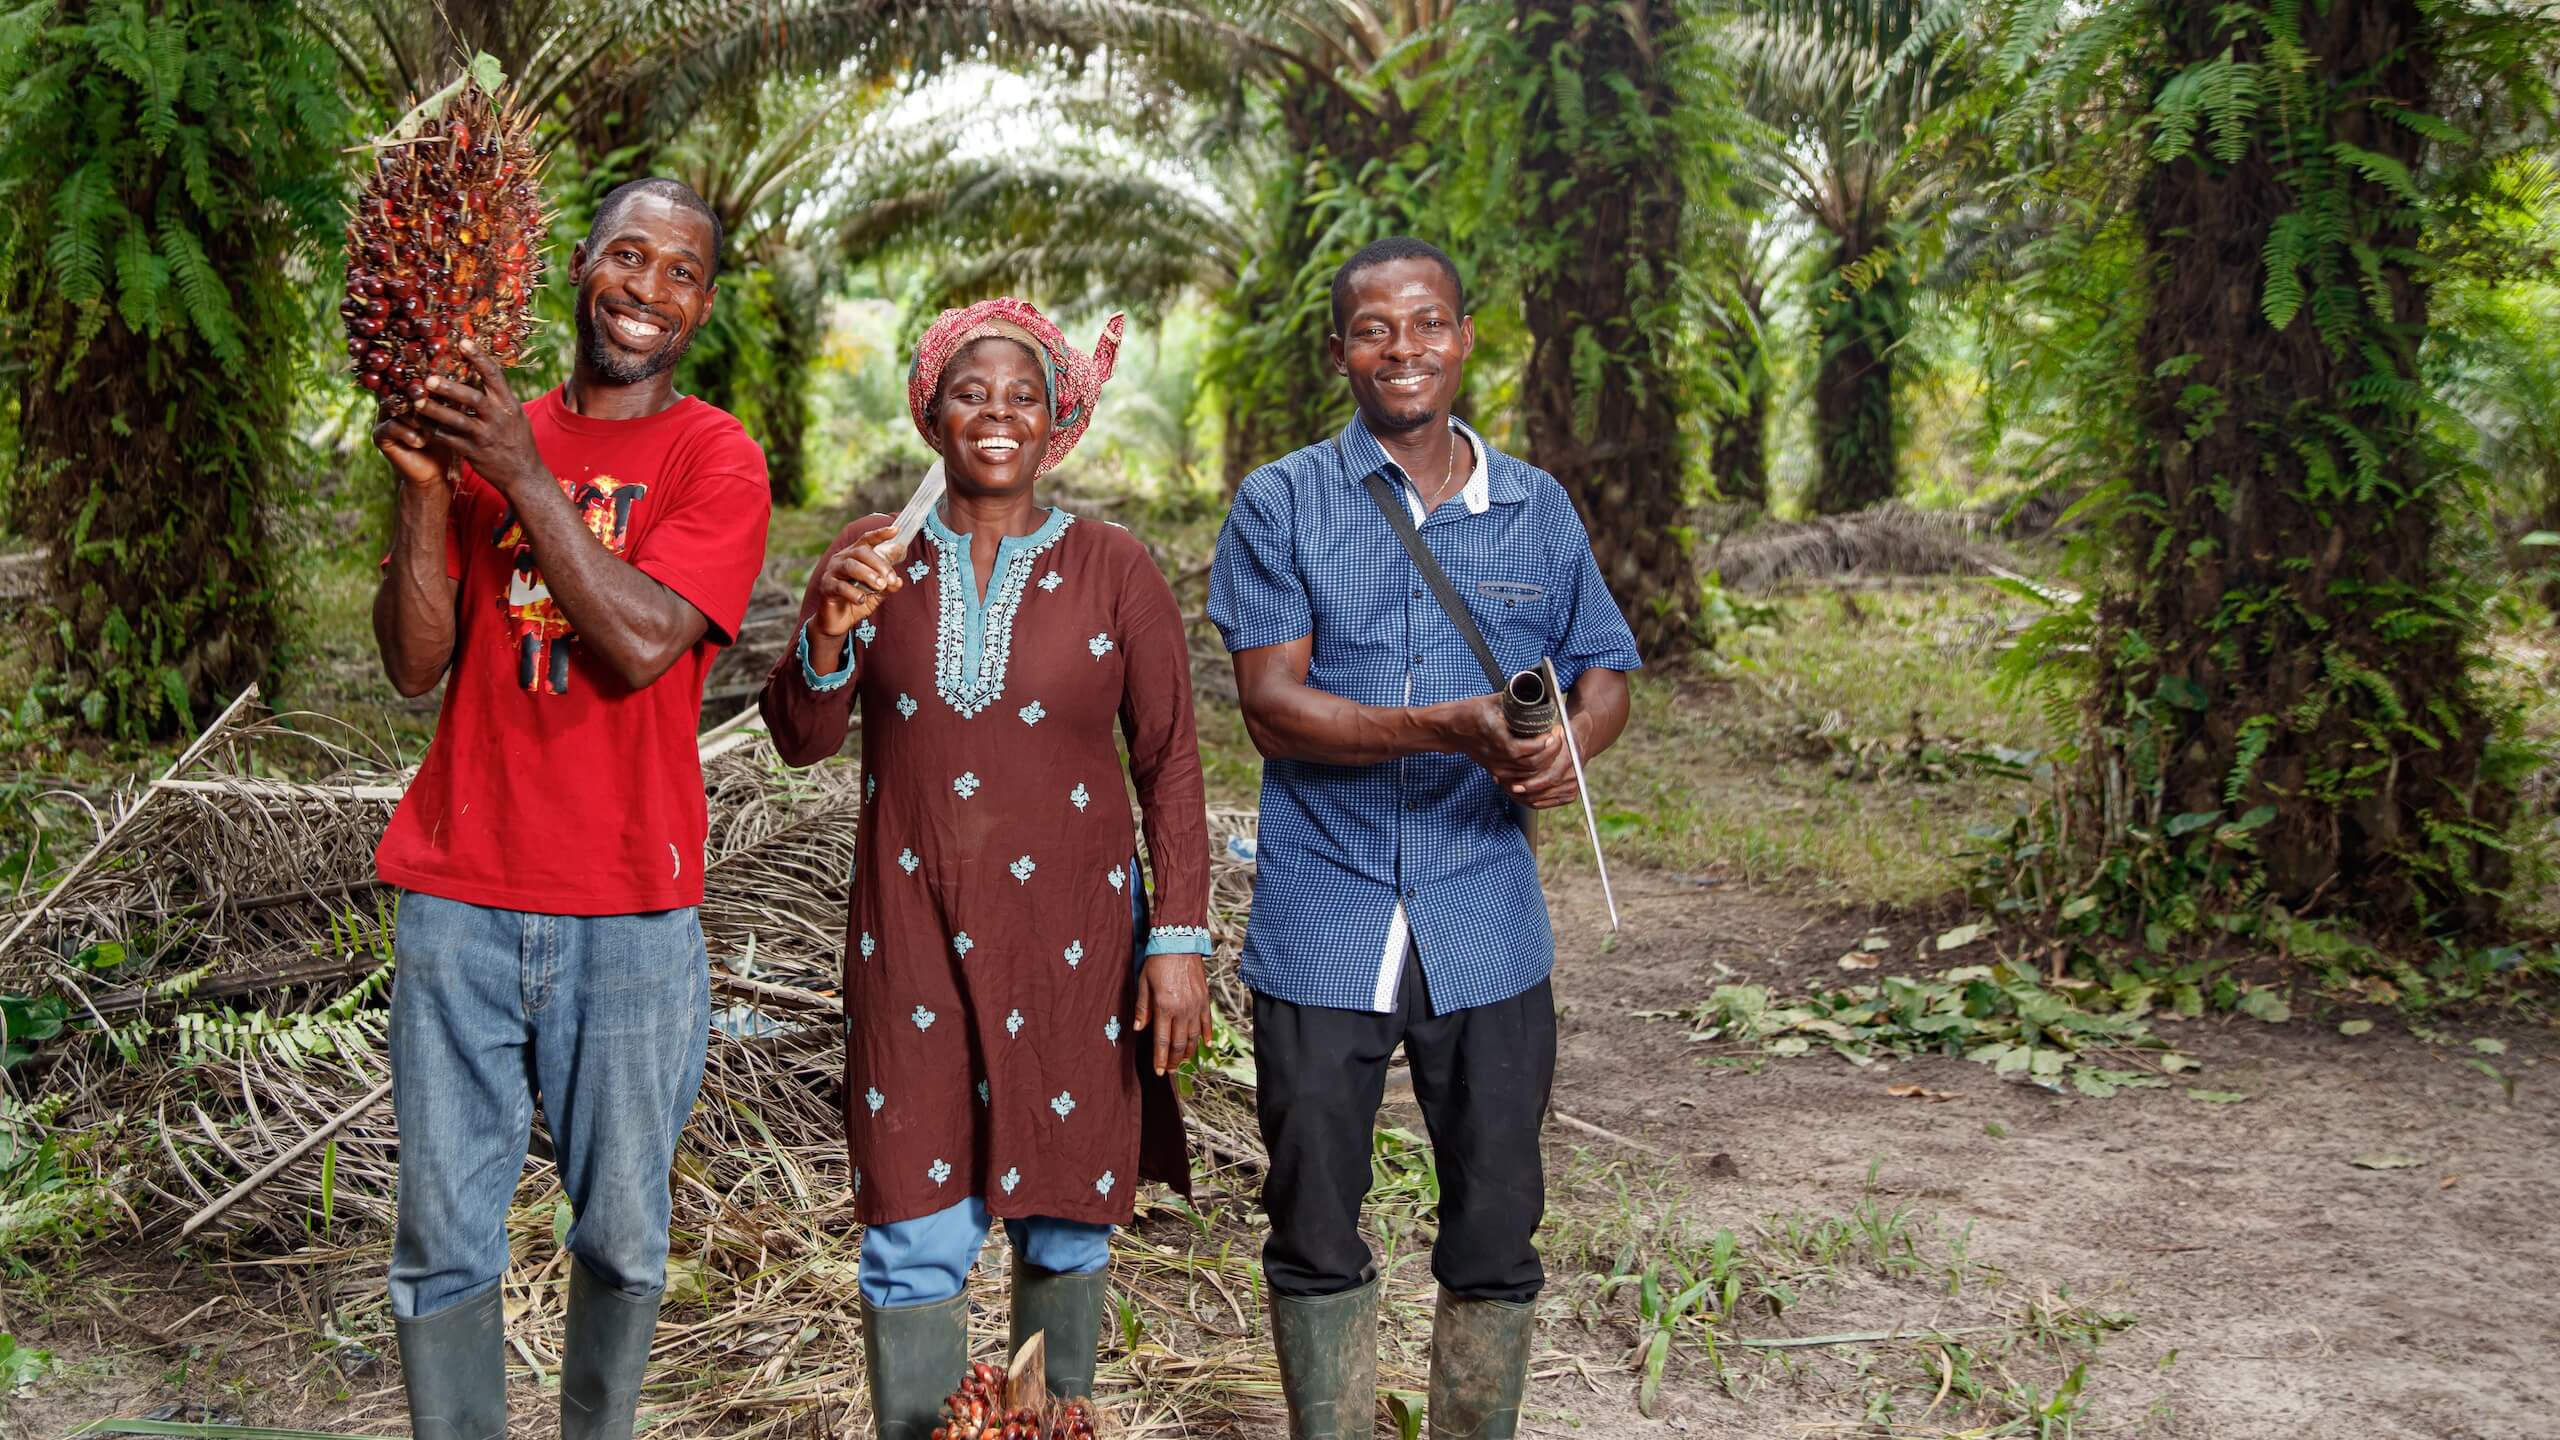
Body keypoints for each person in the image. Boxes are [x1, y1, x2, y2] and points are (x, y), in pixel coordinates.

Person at [1208, 236, 1641, 1440]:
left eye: (1429, 324)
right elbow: (1271, 707)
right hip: (1323, 910)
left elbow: (1604, 668)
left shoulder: (1537, 508)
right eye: (1373, 329)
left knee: (1499, 1220)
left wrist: (1572, 746)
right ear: (1339, 347)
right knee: (1311, 1216)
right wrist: (1451, 727)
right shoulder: (1282, 501)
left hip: (1485, 915)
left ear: (1463, 337)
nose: (1403, 349)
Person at [757, 297, 1213, 1437]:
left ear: (1055, 418)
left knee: (1064, 1219)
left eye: (1021, 395)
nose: (995, 415)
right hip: (907, 938)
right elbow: (803, 737)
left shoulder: (1115, 568)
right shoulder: (875, 559)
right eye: (970, 392)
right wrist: (823, 632)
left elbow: (1170, 766)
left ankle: (1048, 1428)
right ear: (932, 413)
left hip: (1076, 950)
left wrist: (1180, 943)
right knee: (913, 1229)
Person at [369, 177, 770, 1440]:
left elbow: (647, 640)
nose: (648, 291)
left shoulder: (716, 456)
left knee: (625, 1237)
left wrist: (521, 474)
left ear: (702, 304)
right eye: (627, 257)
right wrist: (431, 489)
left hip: (631, 910)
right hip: (459, 895)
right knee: (441, 1239)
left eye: (680, 272)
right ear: (579, 265)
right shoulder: (490, 426)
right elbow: (413, 663)